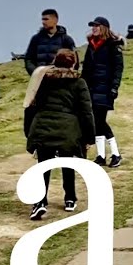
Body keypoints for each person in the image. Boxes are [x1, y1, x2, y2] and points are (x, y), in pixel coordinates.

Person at [23, 49, 96, 220]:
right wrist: (89, 137)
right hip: (68, 129)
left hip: (43, 126)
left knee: (43, 165)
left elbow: (31, 105)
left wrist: (29, 132)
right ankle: (70, 199)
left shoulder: (43, 80)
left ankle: (40, 202)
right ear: (73, 63)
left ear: (56, 61)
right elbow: (86, 112)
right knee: (67, 162)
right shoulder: (79, 83)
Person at [82, 16, 125, 168]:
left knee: (100, 121)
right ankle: (101, 156)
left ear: (104, 28)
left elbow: (118, 68)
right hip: (91, 89)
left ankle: (116, 154)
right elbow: (86, 67)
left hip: (105, 89)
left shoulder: (113, 45)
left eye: (97, 26)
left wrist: (114, 87)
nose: (93, 28)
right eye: (92, 26)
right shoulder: (91, 45)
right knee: (96, 122)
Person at [24, 9, 76, 76]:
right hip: (40, 78)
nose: (43, 22)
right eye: (42, 19)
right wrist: (35, 73)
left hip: (59, 79)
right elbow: (29, 59)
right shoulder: (36, 39)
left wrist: (63, 74)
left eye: (46, 19)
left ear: (55, 20)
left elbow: (73, 59)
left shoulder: (66, 39)